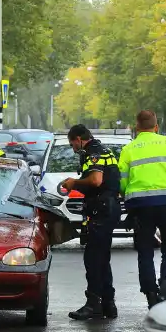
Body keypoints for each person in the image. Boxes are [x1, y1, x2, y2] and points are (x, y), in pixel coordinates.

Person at [117, 110, 166, 307]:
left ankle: (150, 294)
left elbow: (122, 181)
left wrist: (130, 199)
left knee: (145, 251)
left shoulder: (129, 149)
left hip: (142, 207)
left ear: (137, 128)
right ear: (156, 126)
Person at [59, 124, 121, 320]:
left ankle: (93, 304)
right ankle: (108, 304)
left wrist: (73, 183)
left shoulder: (93, 152)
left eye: (72, 144)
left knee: (93, 258)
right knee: (102, 258)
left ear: (78, 139)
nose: (73, 148)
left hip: (101, 209)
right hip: (108, 208)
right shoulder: (105, 150)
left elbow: (95, 180)